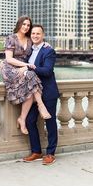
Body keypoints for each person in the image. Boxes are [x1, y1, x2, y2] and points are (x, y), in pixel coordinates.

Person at [0, 16, 51, 135]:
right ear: (19, 24)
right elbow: (9, 59)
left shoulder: (29, 40)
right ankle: (41, 105)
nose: (26, 27)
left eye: (28, 25)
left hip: (24, 69)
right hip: (10, 68)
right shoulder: (11, 38)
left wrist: (46, 44)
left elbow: (39, 43)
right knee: (31, 75)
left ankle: (22, 119)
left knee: (30, 89)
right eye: (24, 24)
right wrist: (26, 65)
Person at [22, 24, 60, 165]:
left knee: (50, 122)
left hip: (48, 92)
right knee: (30, 121)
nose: (35, 36)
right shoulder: (29, 51)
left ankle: (50, 153)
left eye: (38, 34)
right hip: (33, 94)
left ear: (43, 35)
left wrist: (31, 68)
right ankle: (36, 151)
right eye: (33, 34)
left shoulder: (48, 51)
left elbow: (47, 71)